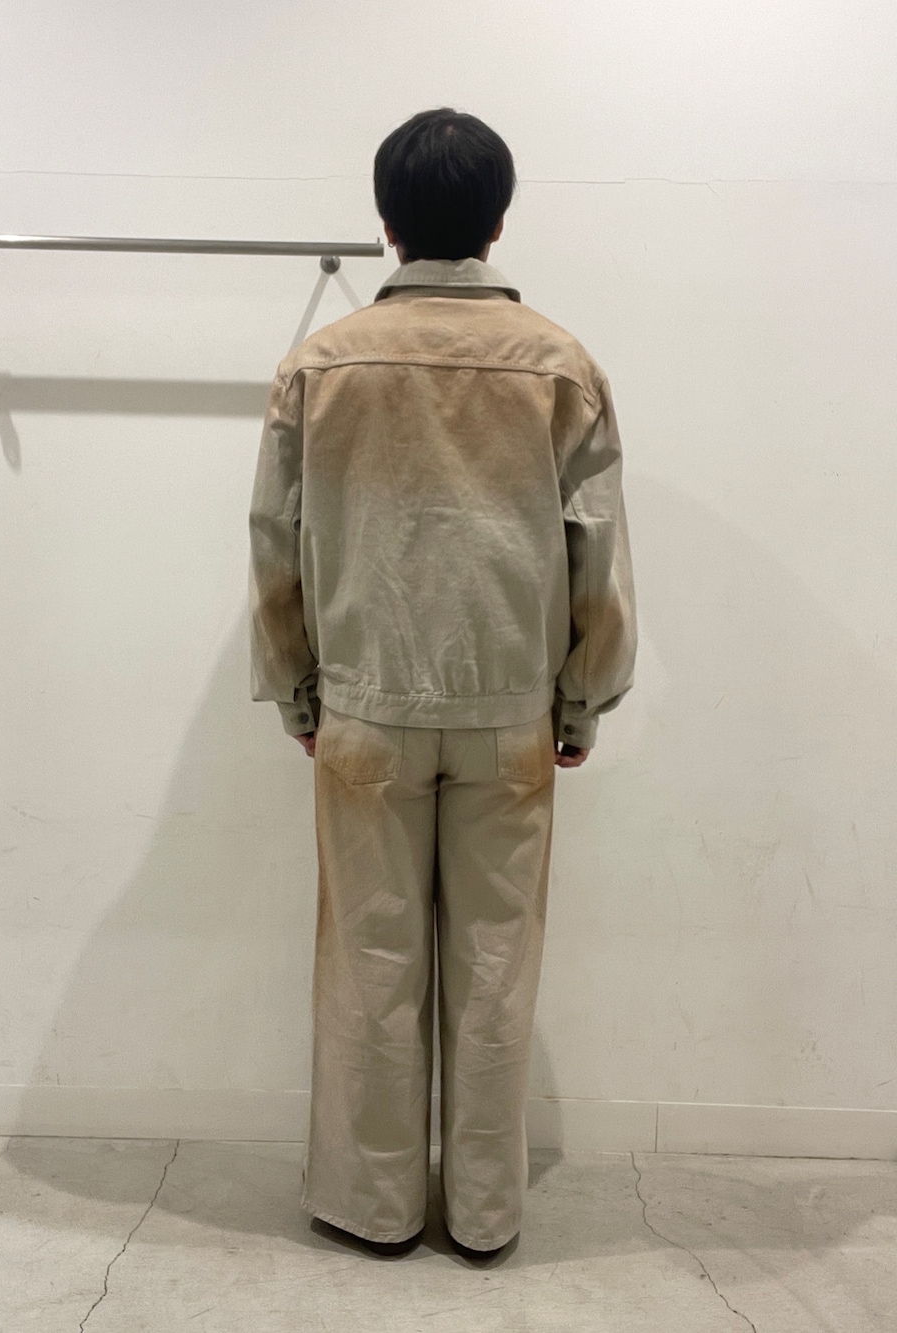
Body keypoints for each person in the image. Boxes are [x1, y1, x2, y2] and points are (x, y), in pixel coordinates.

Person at [249, 107, 636, 1260]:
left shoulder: (320, 365)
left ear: (386, 224)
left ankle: (373, 1208)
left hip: (365, 710)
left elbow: (275, 542)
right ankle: (483, 1211)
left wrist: (299, 692)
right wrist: (580, 699)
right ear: (498, 221)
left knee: (369, 963)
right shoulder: (560, 365)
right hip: (509, 712)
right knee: (494, 964)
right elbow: (597, 551)